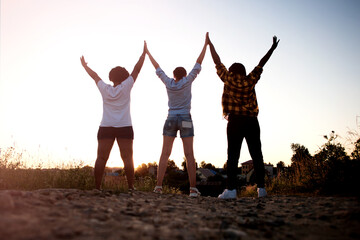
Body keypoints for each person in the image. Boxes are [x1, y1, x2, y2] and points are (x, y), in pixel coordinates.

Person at [207, 33, 279, 198]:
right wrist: (272, 48)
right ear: (244, 71)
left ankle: (231, 190)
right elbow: (261, 63)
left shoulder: (228, 79)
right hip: (252, 121)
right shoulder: (250, 80)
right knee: (257, 154)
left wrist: (210, 44)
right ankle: (261, 189)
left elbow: (217, 62)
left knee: (233, 155)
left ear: (231, 71)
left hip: (235, 121)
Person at [145, 34, 208, 197]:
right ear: (185, 74)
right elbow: (198, 62)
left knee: (165, 153)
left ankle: (158, 186)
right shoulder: (188, 81)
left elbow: (157, 67)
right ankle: (193, 189)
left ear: (174, 75)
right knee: (189, 154)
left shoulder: (168, 82)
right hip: (186, 119)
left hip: (171, 119)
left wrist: (147, 52)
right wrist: (206, 44)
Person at [80, 42, 146, 190]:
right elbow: (137, 69)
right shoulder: (127, 85)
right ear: (124, 77)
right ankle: (131, 187)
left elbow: (95, 76)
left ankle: (97, 187)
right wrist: (143, 54)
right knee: (128, 158)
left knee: (101, 158)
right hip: (124, 126)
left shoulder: (104, 88)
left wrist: (85, 66)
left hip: (106, 127)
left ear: (111, 78)